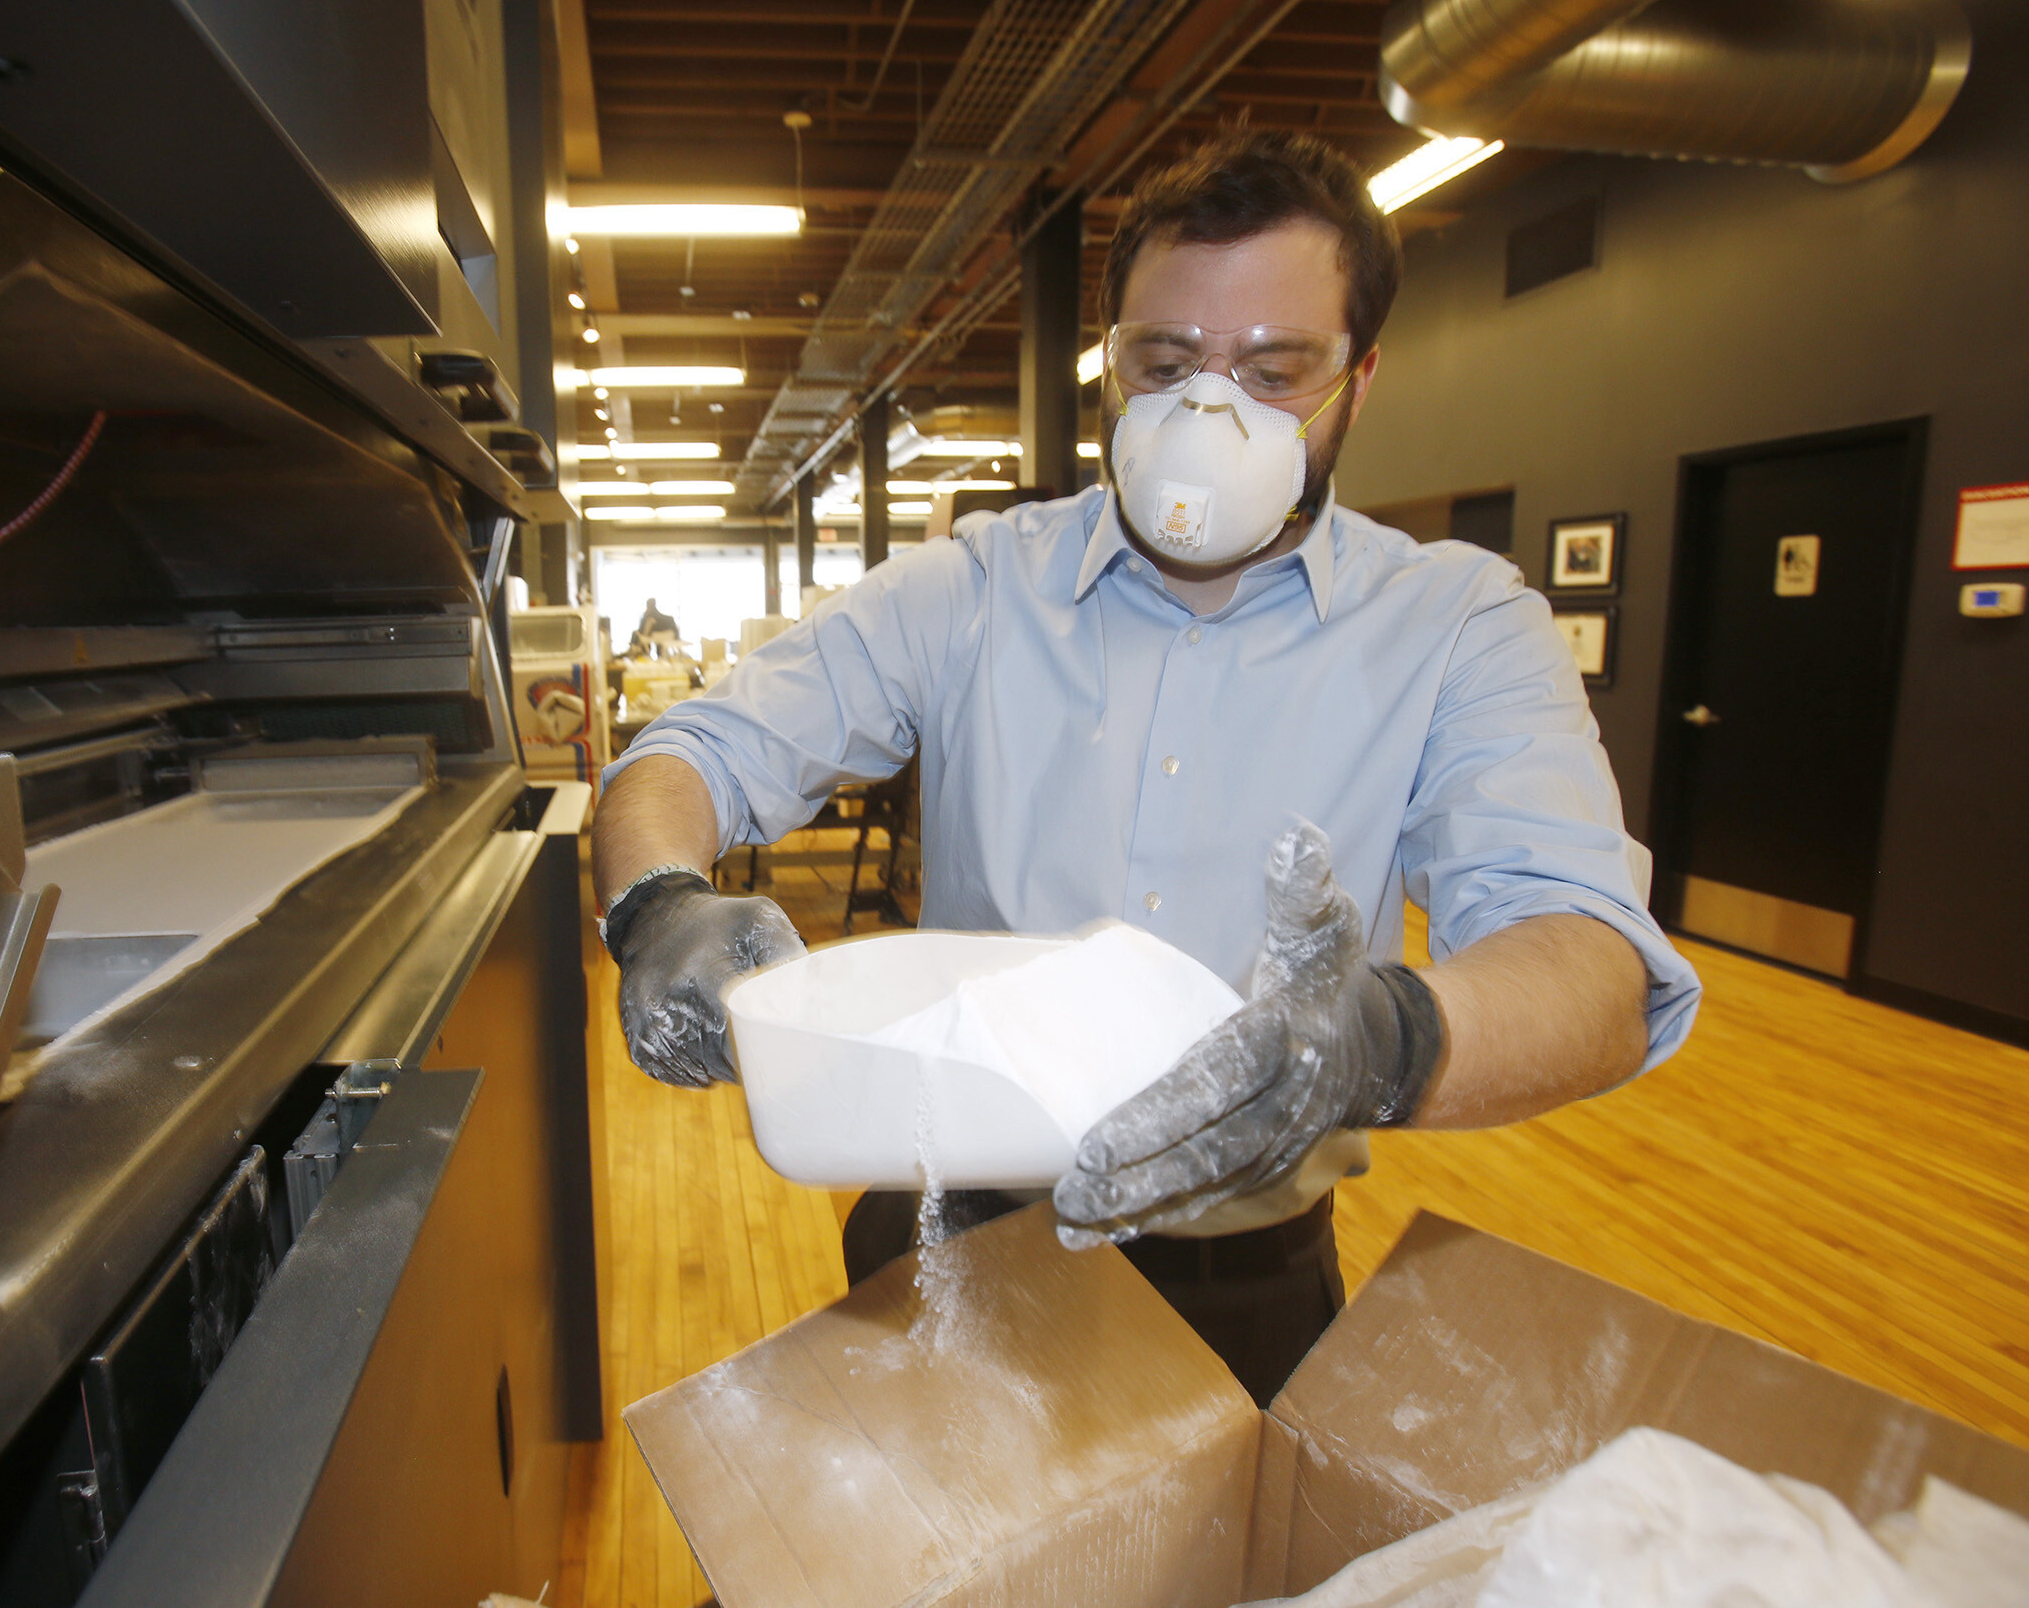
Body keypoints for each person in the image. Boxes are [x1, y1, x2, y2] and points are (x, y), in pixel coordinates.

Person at [589, 131, 1700, 1404]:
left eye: (1274, 370)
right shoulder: (974, 587)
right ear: (1109, 367)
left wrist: (1382, 1042)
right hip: (955, 1239)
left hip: (1250, 1278)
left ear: (1359, 377)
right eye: (1163, 364)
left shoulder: (1456, 626)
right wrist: (659, 900)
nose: (1206, 414)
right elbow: (694, 749)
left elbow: (1589, 957)